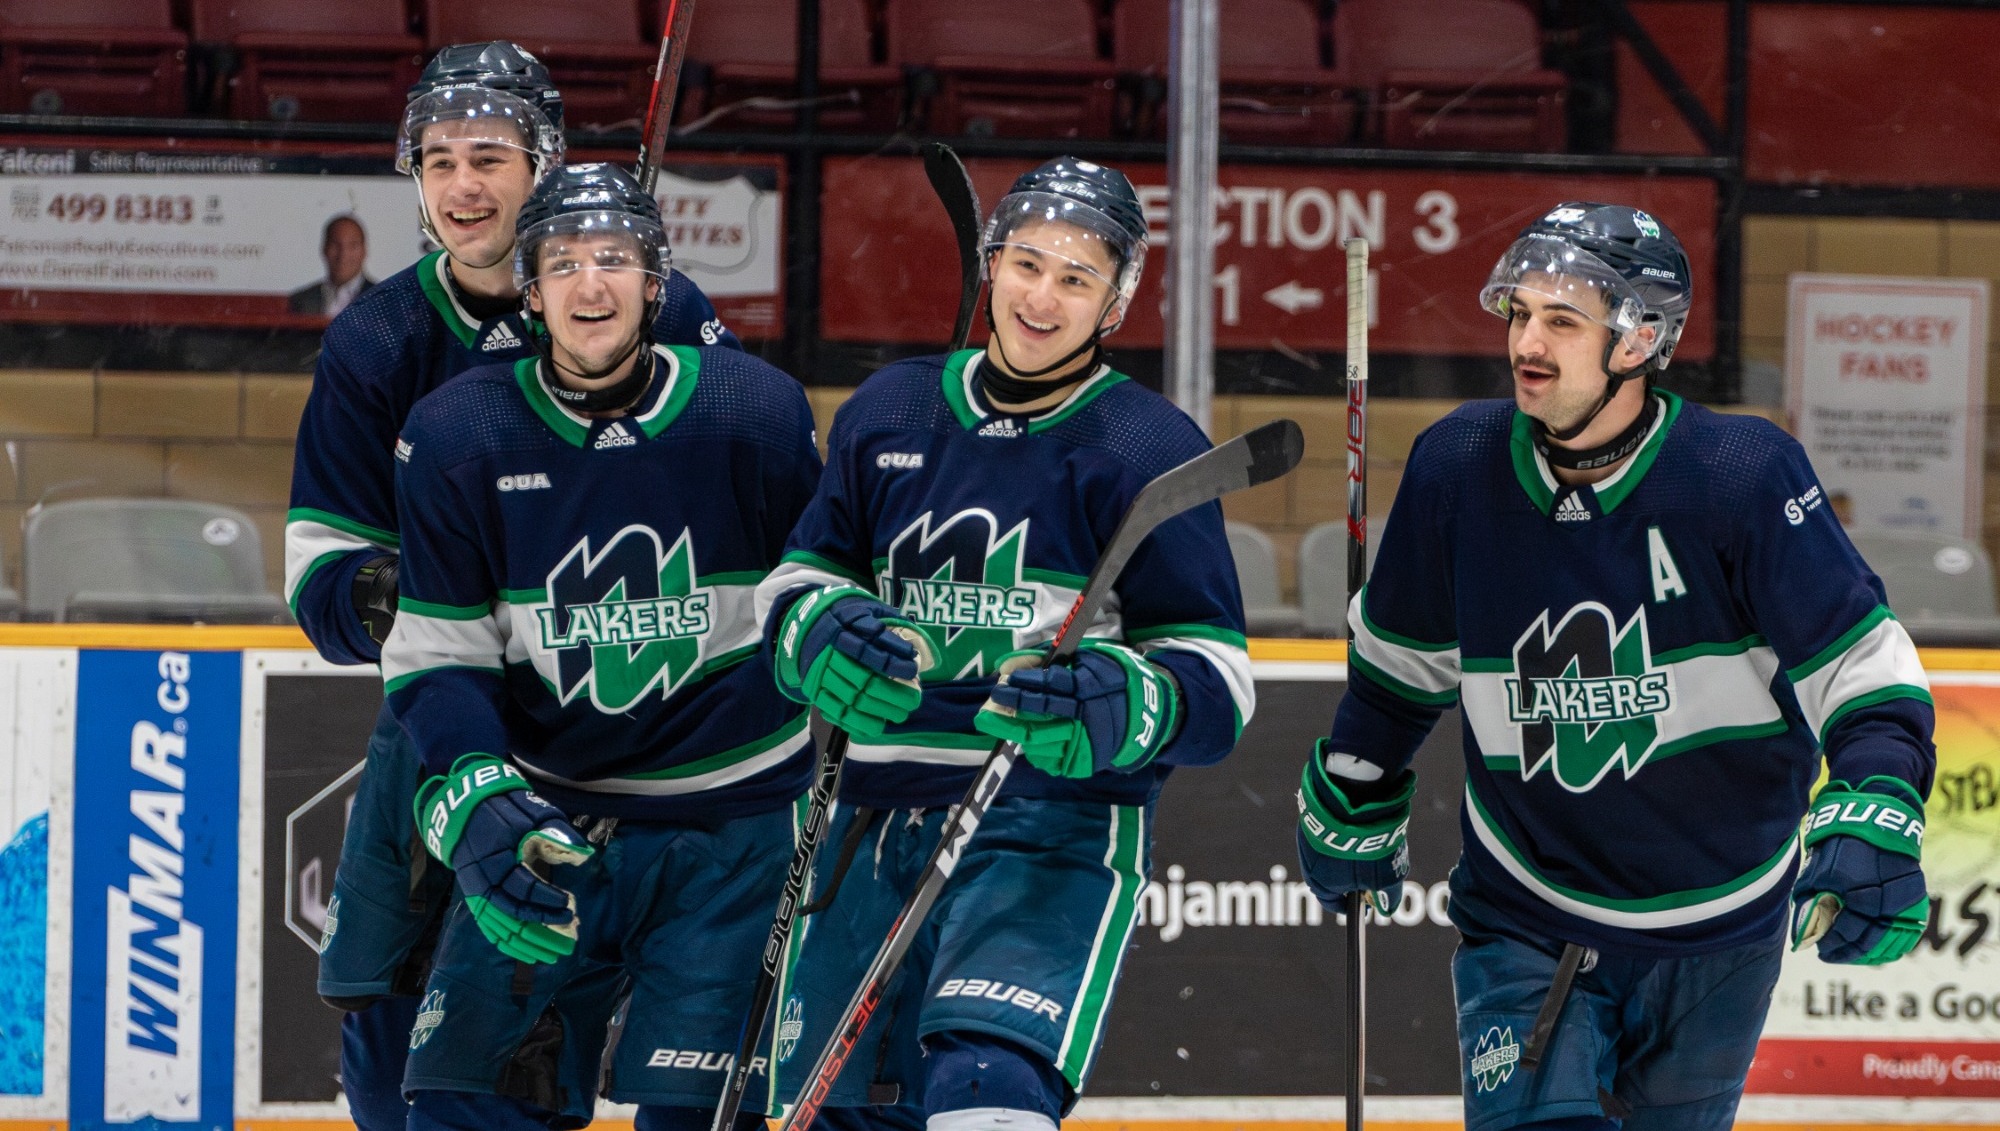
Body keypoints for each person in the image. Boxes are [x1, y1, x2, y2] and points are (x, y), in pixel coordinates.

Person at [1294, 202, 1936, 1131]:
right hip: (1526, 911)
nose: (1528, 340)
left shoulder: (1739, 477)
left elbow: (1865, 673)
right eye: (1521, 314)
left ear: (1638, 343)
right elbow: (1398, 675)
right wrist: (1356, 779)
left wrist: (1879, 800)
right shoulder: (1457, 469)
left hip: (1724, 925)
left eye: (1563, 320)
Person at [283, 41, 741, 1131]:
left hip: (631, 729)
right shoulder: (378, 340)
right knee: (393, 1045)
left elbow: (749, 498)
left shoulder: (660, 308)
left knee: (610, 1033)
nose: (462, 186)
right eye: (438, 160)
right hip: (445, 733)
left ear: (545, 163)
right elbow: (320, 577)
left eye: (489, 155)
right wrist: (414, 591)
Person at [752, 157, 1253, 1131]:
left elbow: (1219, 690)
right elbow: (800, 579)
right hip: (867, 816)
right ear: (991, 266)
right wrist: (815, 631)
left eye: (1076, 278)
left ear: (1115, 303)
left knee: (989, 1090)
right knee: (842, 1114)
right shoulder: (889, 411)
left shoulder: (1149, 449)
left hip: (1044, 826)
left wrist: (1130, 701)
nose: (1042, 295)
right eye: (1027, 264)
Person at [383, 160, 819, 1131]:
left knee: (702, 1116)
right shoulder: (460, 436)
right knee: (463, 1106)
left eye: (614, 259)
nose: (590, 284)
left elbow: (819, 590)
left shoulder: (755, 416)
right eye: (563, 263)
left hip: (733, 833)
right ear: (529, 293)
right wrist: (477, 791)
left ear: (656, 283)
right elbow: (440, 660)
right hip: (551, 823)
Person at [290, 213, 375, 317]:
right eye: (335, 244)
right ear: (324, 249)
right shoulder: (300, 301)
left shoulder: (382, 299)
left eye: (353, 245)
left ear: (364, 251)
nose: (343, 254)